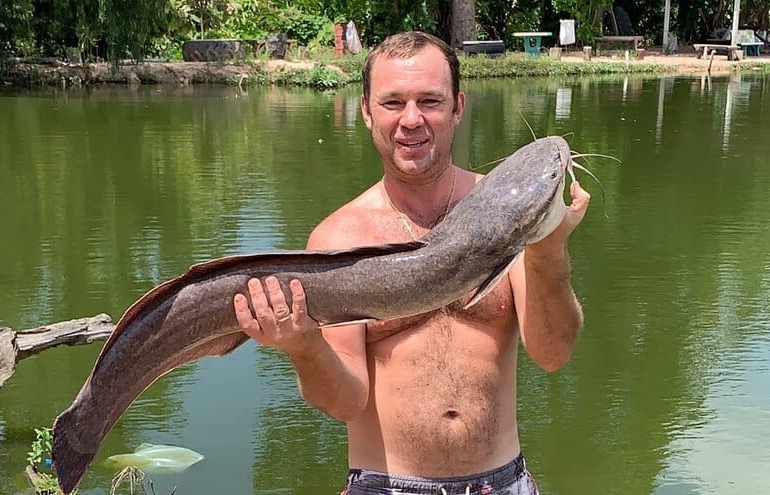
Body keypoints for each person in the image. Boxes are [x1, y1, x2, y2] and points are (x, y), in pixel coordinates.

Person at [233, 31, 590, 495]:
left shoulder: (510, 208)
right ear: (366, 110)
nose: (411, 120)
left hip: (503, 482)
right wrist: (304, 347)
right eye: (393, 102)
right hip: (384, 485)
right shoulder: (340, 238)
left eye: (430, 101)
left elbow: (553, 353)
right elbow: (345, 402)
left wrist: (548, 248)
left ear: (458, 107)